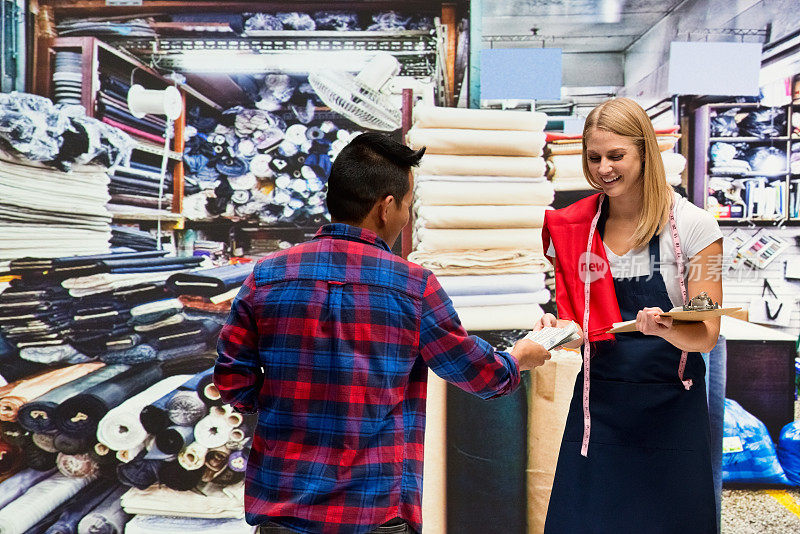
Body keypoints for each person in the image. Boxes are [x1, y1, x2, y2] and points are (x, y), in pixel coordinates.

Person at [214, 132, 551, 534]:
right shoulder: (413, 287)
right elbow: (481, 375)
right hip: (374, 512)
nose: (407, 215)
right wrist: (521, 357)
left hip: (283, 509)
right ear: (386, 207)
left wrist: (287, 407)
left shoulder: (267, 276)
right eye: (408, 205)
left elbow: (233, 383)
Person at [539, 98, 723, 533]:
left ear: (643, 152)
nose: (604, 168)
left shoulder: (697, 228)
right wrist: (556, 330)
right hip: (598, 408)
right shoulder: (572, 229)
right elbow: (579, 327)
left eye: (616, 156)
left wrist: (668, 328)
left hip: (671, 410)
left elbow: (708, 332)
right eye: (594, 157)